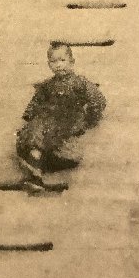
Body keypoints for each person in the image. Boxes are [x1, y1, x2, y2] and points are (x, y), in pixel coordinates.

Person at [14, 43, 106, 193]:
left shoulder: (80, 83)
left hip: (68, 120)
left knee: (48, 134)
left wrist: (89, 120)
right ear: (49, 64)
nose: (58, 65)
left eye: (62, 60)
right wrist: (29, 116)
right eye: (53, 61)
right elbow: (36, 102)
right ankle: (35, 170)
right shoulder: (47, 85)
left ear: (72, 62)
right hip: (48, 121)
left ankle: (35, 171)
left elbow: (98, 100)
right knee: (32, 132)